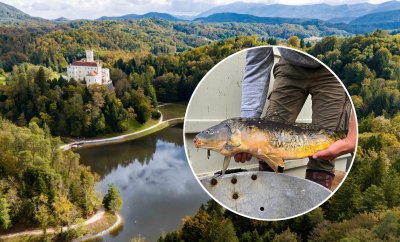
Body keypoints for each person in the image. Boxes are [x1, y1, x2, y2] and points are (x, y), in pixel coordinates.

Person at [234, 46, 356, 189]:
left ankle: (315, 203)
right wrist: (245, 133)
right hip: (290, 65)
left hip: (333, 70)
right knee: (268, 143)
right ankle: (268, 199)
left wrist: (352, 138)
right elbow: (257, 62)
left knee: (325, 149)